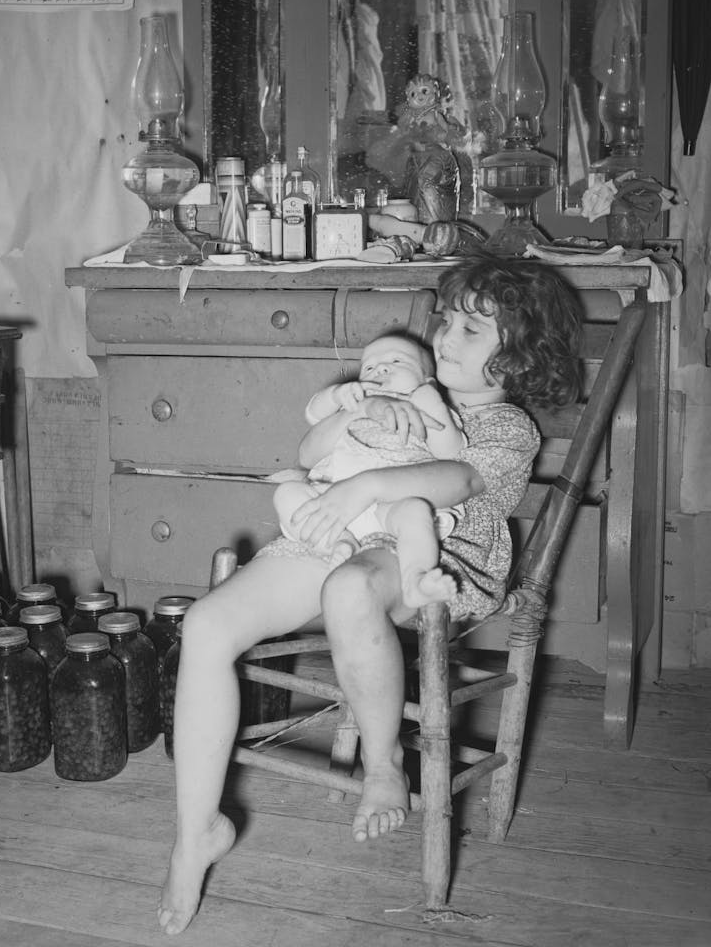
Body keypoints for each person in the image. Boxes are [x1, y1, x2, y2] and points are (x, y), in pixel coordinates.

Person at [158, 253, 581, 936]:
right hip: (338, 533)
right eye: (446, 320)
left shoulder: (506, 428)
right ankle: (194, 833)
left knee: (351, 591)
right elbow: (309, 449)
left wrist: (368, 486)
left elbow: (458, 482)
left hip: (431, 557)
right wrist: (351, 411)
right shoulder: (392, 386)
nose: (443, 337)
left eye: (471, 331)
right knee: (207, 625)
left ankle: (384, 763)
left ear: (516, 360)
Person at [273, 332, 467, 607]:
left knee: (415, 512)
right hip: (334, 504)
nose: (381, 369)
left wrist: (431, 403)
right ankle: (339, 544)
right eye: (369, 367)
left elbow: (452, 453)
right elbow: (313, 415)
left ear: (427, 381)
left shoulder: (429, 408)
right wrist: (337, 395)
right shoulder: (352, 406)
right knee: (287, 493)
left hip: (390, 506)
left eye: (397, 361)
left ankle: (415, 580)